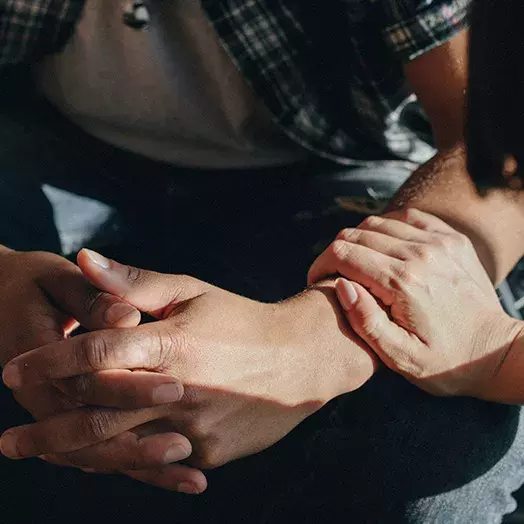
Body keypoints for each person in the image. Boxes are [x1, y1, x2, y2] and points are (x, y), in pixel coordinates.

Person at [1, 1, 524, 522]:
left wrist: (318, 341)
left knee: (427, 463)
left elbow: (495, 149)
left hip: (340, 165)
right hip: (48, 135)